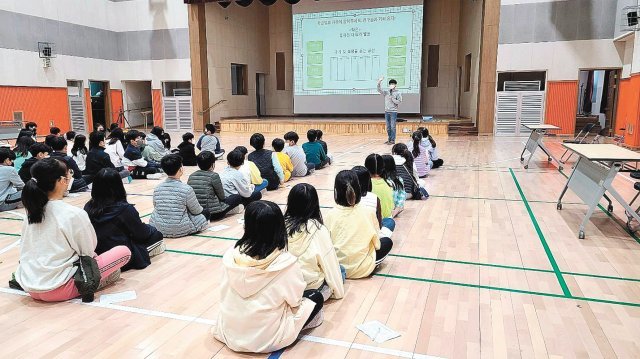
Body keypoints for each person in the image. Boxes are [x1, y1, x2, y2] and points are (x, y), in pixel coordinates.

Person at [212, 200, 324, 353]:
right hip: (267, 339)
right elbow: (295, 301)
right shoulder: (286, 262)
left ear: (247, 226)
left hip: (230, 333)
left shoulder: (231, 256)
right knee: (315, 297)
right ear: (279, 228)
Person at [14, 158, 132, 302]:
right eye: (68, 174)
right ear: (61, 181)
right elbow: (87, 252)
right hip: (58, 287)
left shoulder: (31, 212)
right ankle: (104, 278)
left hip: (29, 286)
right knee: (123, 252)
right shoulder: (72, 214)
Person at [84, 168, 165, 271]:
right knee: (157, 235)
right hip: (122, 254)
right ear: (118, 186)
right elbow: (141, 234)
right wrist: (151, 228)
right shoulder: (124, 209)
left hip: (98, 252)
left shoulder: (88, 207)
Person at [324, 170, 393, 279]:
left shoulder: (330, 214)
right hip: (363, 268)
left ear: (336, 192)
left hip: (338, 268)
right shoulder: (368, 212)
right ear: (358, 189)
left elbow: (327, 243)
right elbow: (377, 244)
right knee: (387, 241)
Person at [285, 183, 345, 301]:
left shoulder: (281, 224)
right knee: (341, 270)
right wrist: (338, 292)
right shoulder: (318, 229)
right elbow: (329, 263)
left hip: (287, 287)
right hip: (312, 288)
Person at [150, 154, 209, 238]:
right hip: (180, 229)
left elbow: (156, 206)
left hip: (159, 228)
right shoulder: (187, 189)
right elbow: (196, 211)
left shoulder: (157, 188)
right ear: (181, 169)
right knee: (206, 213)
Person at [187, 151, 244, 221]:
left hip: (199, 213)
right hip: (215, 214)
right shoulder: (214, 176)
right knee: (236, 197)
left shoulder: (191, 176)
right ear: (212, 164)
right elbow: (222, 197)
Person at [352, 166, 395, 238]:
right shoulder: (374, 197)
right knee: (390, 222)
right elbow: (379, 224)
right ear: (369, 181)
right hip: (371, 237)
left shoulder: (347, 198)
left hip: (354, 236)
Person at [364, 154, 394, 219]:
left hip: (372, 222)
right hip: (387, 220)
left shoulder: (365, 185)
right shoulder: (389, 183)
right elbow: (391, 207)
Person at [377, 77, 402, 145]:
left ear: (395, 85)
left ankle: (393, 140)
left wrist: (393, 99)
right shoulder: (386, 92)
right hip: (387, 111)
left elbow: (399, 101)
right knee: (388, 127)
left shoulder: (398, 92)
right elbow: (379, 90)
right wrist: (379, 81)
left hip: (393, 112)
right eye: (390, 84)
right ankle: (389, 139)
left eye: (393, 84)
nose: (392, 85)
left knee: (392, 127)